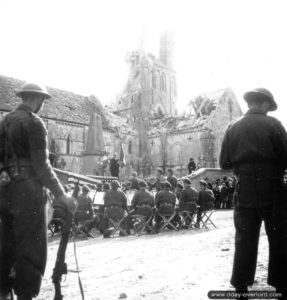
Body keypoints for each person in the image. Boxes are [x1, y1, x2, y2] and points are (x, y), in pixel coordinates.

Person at [0, 82, 76, 300]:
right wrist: (62, 195)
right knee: (31, 247)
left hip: (5, 192)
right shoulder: (34, 123)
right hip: (29, 190)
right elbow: (42, 166)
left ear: (23, 97)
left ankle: (3, 291)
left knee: (6, 242)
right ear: (38, 100)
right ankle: (25, 295)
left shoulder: (5, 120)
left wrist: (4, 171)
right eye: (42, 101)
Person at [220, 88, 287, 299]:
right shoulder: (274, 125)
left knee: (245, 239)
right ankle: (281, 285)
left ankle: (241, 288)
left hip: (245, 190)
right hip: (273, 189)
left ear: (250, 104)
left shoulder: (233, 127)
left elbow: (224, 163)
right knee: (279, 239)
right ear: (266, 103)